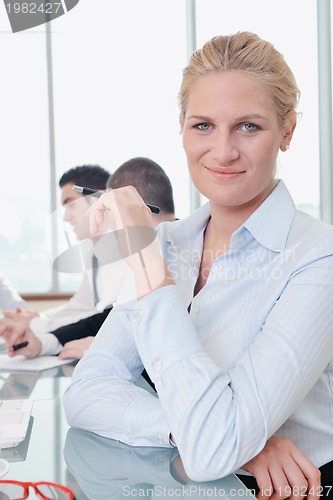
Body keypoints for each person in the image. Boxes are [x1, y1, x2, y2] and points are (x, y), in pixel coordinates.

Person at [63, 31, 333, 497]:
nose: (223, 151)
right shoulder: (169, 242)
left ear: (287, 131)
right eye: (203, 125)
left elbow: (213, 448)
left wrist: (146, 262)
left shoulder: (317, 257)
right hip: (188, 481)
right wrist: (202, 430)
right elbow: (85, 394)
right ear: (182, 127)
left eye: (249, 126)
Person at [0, 157, 175, 361]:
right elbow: (86, 309)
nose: (65, 217)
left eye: (70, 204)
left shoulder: (137, 249)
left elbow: (111, 317)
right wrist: (38, 322)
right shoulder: (97, 253)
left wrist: (38, 328)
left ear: (102, 199)